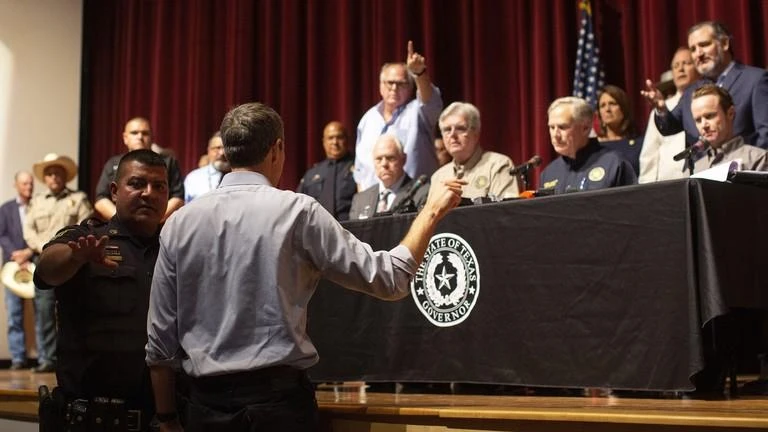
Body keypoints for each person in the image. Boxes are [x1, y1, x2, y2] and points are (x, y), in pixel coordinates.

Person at [145, 102, 463, 431]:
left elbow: (160, 339)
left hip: (201, 407)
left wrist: (167, 418)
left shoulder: (178, 224)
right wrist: (431, 212)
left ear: (227, 149)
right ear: (277, 148)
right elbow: (389, 279)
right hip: (279, 407)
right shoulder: (298, 213)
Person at [34, 149, 169, 431]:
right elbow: (46, 269)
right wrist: (75, 258)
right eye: (137, 183)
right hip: (91, 420)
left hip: (159, 419)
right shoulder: (87, 238)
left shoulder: (175, 248)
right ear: (114, 191)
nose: (148, 193)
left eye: (159, 186)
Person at [641, 21, 768, 150]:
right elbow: (669, 127)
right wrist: (661, 109)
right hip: (700, 168)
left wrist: (751, 164)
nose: (699, 54)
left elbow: (765, 134)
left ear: (724, 43)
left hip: (744, 166)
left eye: (704, 45)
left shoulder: (755, 80)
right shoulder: (691, 91)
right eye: (693, 49)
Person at [23, 153, 93, 373]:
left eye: (58, 173)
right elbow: (29, 230)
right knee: (44, 311)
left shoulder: (78, 198)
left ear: (65, 176)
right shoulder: (36, 202)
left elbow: (87, 223)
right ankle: (47, 359)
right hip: (43, 261)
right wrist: (44, 248)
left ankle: (72, 357)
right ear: (45, 178)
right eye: (50, 173)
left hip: (71, 261)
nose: (54, 177)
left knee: (73, 309)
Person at [354, 41, 443, 189]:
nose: (394, 88)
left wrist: (419, 74)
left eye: (401, 84)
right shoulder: (368, 119)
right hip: (375, 203)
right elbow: (360, 171)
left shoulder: (418, 112)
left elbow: (430, 102)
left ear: (410, 86)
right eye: (389, 83)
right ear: (380, 85)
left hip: (415, 198)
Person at [540, 97, 637, 194]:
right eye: (552, 127)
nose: (555, 135)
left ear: (585, 128)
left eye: (563, 127)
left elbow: (633, 204)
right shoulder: (549, 173)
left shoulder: (614, 163)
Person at [94, 117, 184, 220]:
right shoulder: (112, 163)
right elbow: (101, 199)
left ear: (152, 137)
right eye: (134, 133)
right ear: (125, 138)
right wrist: (122, 221)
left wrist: (154, 220)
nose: (140, 137)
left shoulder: (168, 162)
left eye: (145, 133)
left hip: (159, 228)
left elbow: (178, 198)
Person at [430, 102, 520, 201]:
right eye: (447, 129)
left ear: (476, 133)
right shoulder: (438, 177)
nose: (452, 135)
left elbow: (506, 212)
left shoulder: (498, 165)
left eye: (460, 128)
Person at [639, 47, 700, 182]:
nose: (680, 69)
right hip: (668, 183)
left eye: (686, 63)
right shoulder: (662, 108)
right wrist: (646, 188)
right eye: (676, 66)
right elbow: (649, 154)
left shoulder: (706, 103)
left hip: (700, 176)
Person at [0, 171, 34, 370]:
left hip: (35, 263)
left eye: (30, 183)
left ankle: (47, 359)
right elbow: (2, 235)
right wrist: (17, 255)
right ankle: (18, 359)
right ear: (16, 185)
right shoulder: (5, 209)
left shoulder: (40, 206)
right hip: (11, 268)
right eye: (24, 184)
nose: (28, 187)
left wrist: (28, 254)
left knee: (44, 314)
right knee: (14, 315)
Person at [349, 134, 429, 220]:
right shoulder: (360, 200)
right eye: (379, 159)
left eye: (390, 158)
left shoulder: (422, 193)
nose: (384, 164)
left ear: (404, 159)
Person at [691, 85, 768, 173]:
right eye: (698, 120)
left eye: (709, 116)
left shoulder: (758, 158)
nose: (704, 125)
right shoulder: (693, 170)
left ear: (730, 113)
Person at [296, 121, 356, 220]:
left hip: (351, 230)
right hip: (318, 231)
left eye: (339, 137)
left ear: (347, 139)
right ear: (324, 142)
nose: (335, 142)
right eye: (330, 138)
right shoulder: (312, 174)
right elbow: (300, 205)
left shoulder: (359, 168)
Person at [596, 85, 644, 175]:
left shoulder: (640, 144)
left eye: (612, 103)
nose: (607, 109)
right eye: (602, 105)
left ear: (624, 108)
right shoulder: (593, 146)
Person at [184, 132, 230, 203]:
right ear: (209, 151)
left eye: (226, 148)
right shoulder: (193, 178)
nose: (222, 153)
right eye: (217, 148)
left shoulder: (240, 176)